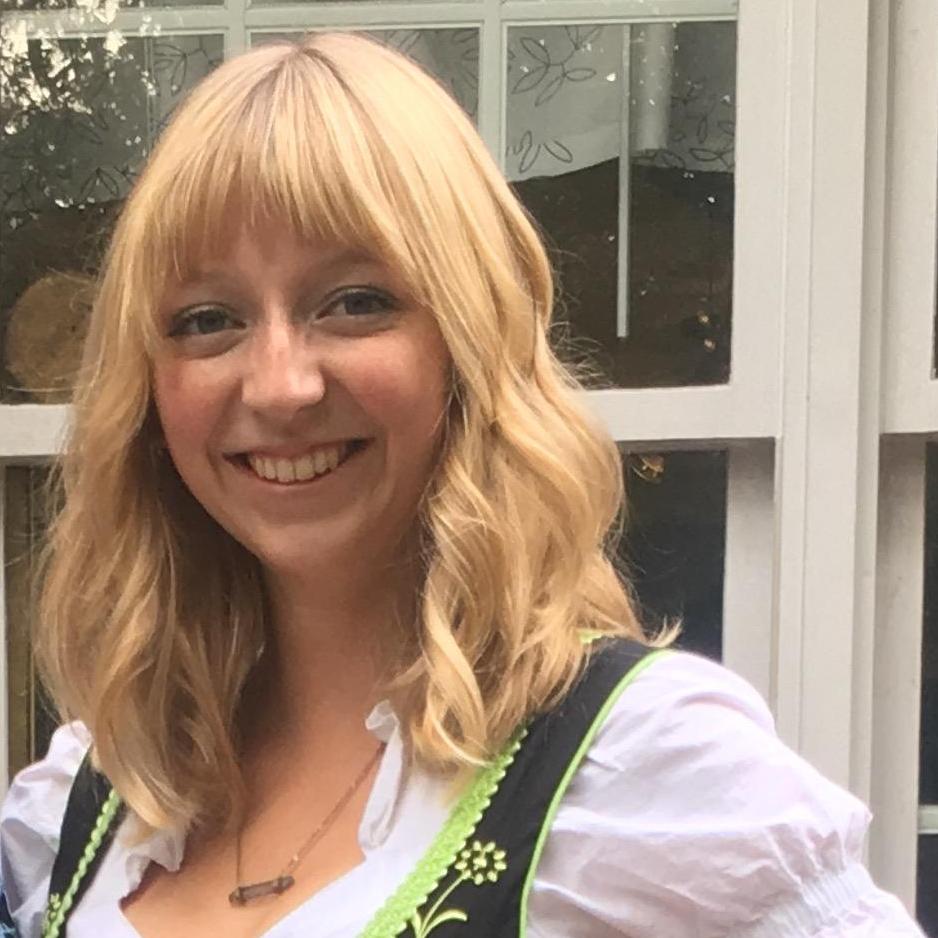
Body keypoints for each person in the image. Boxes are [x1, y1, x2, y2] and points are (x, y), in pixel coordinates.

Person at [0, 32, 926, 938]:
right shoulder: (97, 796)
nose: (280, 385)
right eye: (208, 320)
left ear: (467, 341)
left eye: (355, 302)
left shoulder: (632, 768)